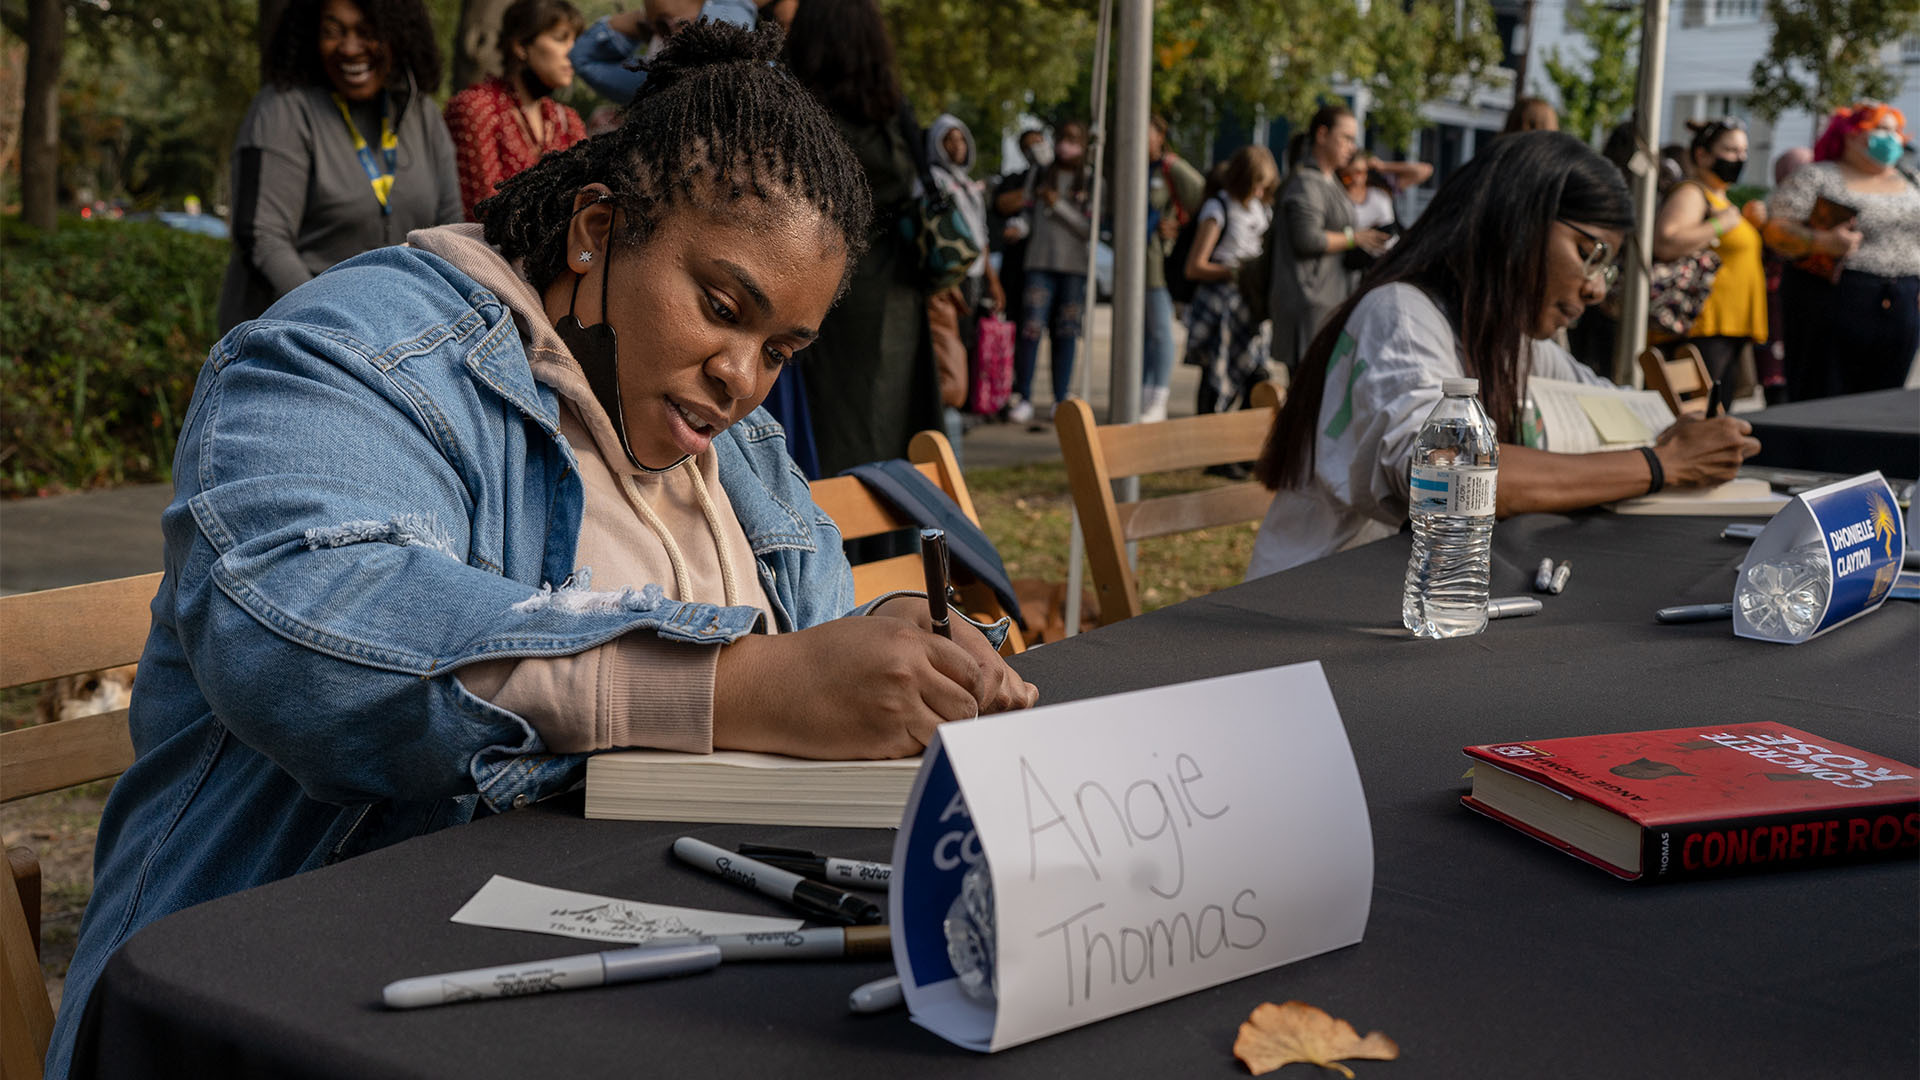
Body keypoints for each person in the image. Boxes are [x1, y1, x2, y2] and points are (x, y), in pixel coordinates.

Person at [44, 22, 1037, 1078]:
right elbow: (308, 637)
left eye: (779, 349)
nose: (743, 377)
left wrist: (887, 645)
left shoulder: (734, 442)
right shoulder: (344, 354)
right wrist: (739, 686)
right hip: (289, 1006)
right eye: (721, 306)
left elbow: (818, 656)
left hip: (629, 977)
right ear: (596, 231)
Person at [1247, 132, 1759, 578]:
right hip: (1318, 605)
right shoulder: (1401, 315)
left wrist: (1680, 435)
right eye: (1590, 254)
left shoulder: (1512, 341)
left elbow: (1613, 407)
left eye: (1609, 267)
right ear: (1515, 222)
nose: (1597, 290)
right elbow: (1447, 476)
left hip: (1411, 597)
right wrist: (1660, 463)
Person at [217, 0, 463, 333]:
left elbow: (449, 233)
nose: (349, 48)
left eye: (366, 32)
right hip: (295, 340)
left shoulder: (423, 115)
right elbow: (263, 238)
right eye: (332, 32)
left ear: (399, 34)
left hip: (400, 340)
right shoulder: (283, 110)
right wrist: (339, 326)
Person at [783, 0, 941, 474]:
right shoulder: (889, 110)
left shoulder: (797, 109)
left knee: (843, 430)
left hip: (826, 284)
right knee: (886, 427)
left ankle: (851, 537)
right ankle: (884, 538)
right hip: (889, 285)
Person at [1764, 102, 1920, 400]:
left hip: (1901, 303)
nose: (1890, 137)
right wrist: (1819, 241)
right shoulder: (1817, 177)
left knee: (1885, 399)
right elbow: (1776, 230)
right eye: (1880, 128)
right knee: (1825, 394)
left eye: (1895, 130)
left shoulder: (1910, 180)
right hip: (1834, 297)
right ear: (1850, 134)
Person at [1650, 117, 1767, 414]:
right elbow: (1665, 242)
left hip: (1729, 327)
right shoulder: (1692, 193)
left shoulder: (1720, 197)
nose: (1739, 158)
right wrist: (1719, 224)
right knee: (1700, 415)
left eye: (1743, 151)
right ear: (1702, 154)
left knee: (1719, 413)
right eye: (1730, 150)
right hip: (1704, 327)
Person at [1269, 104, 1387, 374]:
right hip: (1309, 306)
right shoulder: (1306, 182)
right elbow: (1307, 239)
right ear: (1322, 135)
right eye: (1345, 138)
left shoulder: (1329, 180)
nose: (1351, 147)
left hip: (1327, 303)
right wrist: (1355, 238)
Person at [443, 0, 588, 221]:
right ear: (520, 46)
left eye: (576, 41)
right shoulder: (477, 109)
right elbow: (484, 211)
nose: (574, 52)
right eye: (561, 39)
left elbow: (584, 202)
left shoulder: (567, 120)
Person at [1007, 120, 1095, 426]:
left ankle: (1060, 397)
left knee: (1066, 332)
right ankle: (1026, 396)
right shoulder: (1041, 174)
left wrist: (1058, 206)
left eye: (1073, 139)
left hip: (1073, 267)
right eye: (1062, 138)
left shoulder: (1093, 180)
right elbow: (1028, 214)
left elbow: (1090, 229)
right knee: (1030, 331)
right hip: (1039, 262)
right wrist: (1018, 227)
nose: (1065, 145)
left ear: (1083, 145)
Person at [1182, 145, 1277, 423]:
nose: (1260, 191)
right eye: (1256, 184)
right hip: (1221, 302)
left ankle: (1241, 449)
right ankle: (1211, 447)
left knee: (1255, 376)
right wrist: (1231, 272)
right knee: (1216, 375)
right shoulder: (1218, 207)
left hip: (1250, 303)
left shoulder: (1260, 209)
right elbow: (1194, 266)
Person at [927, 113, 1006, 439]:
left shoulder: (969, 184)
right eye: (949, 140)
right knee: (951, 341)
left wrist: (992, 278)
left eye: (961, 139)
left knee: (972, 338)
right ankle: (950, 406)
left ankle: (973, 404)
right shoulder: (934, 181)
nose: (957, 146)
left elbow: (981, 234)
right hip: (951, 274)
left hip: (973, 274)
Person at [567, 0, 758, 106]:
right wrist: (646, 19)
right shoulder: (657, 79)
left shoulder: (673, 82)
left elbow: (583, 59)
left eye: (664, 26)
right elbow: (581, 57)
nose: (659, 38)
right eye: (652, 30)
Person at [1140, 115, 1205, 422]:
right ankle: (1142, 392)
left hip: (1159, 264)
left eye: (1146, 132)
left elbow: (1205, 200)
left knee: (1160, 331)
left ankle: (1159, 397)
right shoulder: (1135, 168)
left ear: (1160, 136)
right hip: (1134, 265)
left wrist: (1181, 228)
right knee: (1141, 333)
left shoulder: (1171, 168)